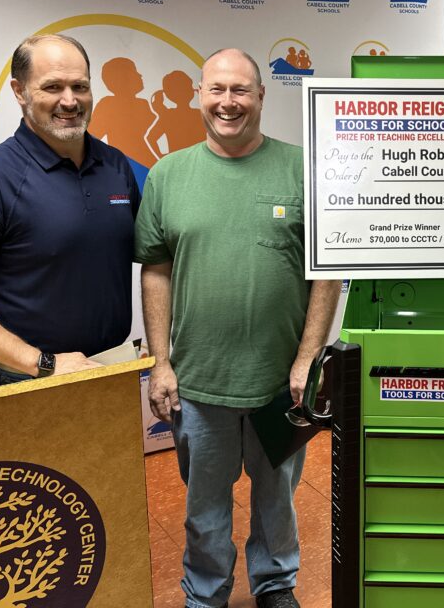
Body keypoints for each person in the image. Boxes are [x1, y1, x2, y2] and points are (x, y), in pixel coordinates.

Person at [136, 48, 340, 608]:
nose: (228, 102)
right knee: (204, 508)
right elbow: (155, 270)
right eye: (217, 90)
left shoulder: (303, 169)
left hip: (280, 384)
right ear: (199, 95)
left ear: (261, 96)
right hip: (199, 382)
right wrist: (160, 363)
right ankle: (207, 593)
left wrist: (307, 360)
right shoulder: (168, 175)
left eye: (241, 90)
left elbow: (326, 275)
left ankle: (274, 585)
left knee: (277, 500)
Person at [0, 34, 139, 386]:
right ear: (19, 91)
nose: (69, 101)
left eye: (80, 87)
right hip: (29, 379)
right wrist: (44, 364)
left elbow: (152, 253)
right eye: (52, 87)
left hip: (109, 371)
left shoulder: (115, 164)